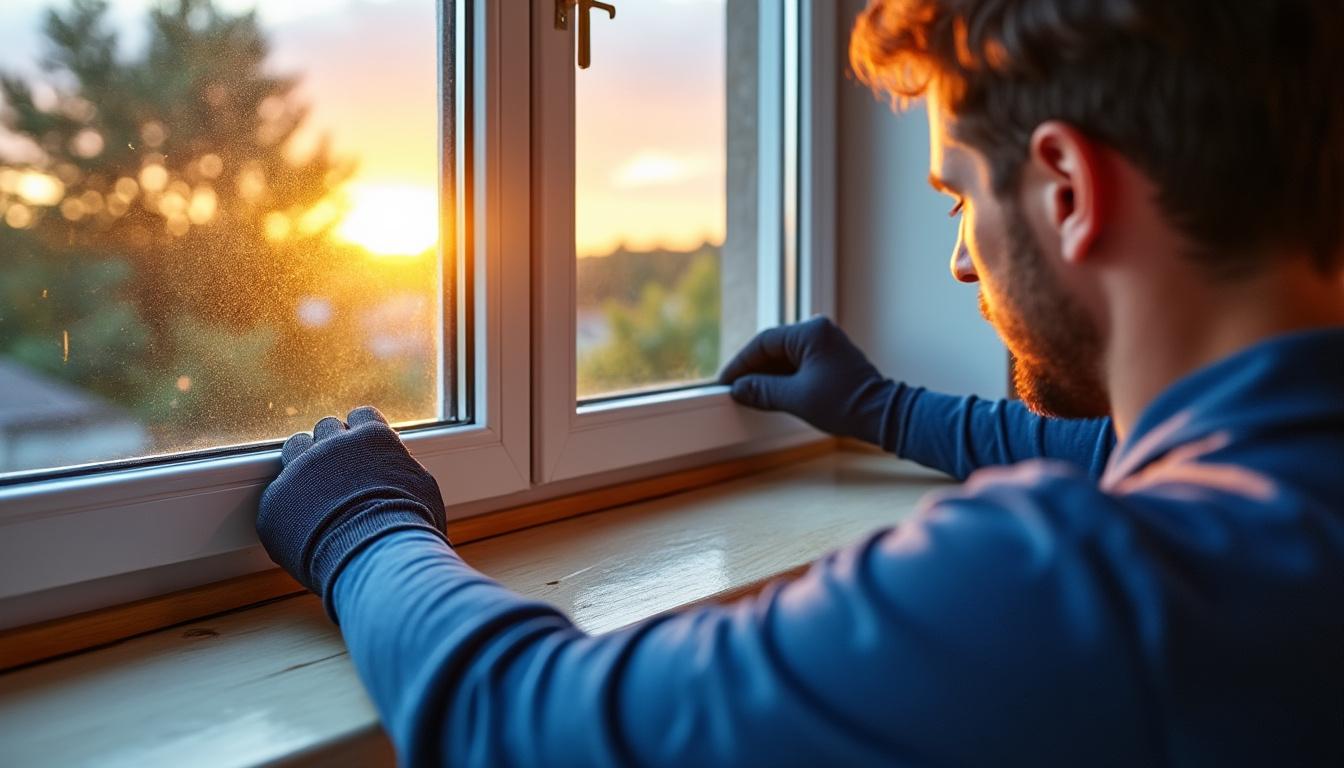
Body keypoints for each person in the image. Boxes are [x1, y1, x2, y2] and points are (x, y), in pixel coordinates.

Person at [256, 1, 1344, 765]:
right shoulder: (1282, 492)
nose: (963, 258)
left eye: (958, 192)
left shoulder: (1095, 596)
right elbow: (1112, 451)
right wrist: (880, 409)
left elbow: (536, 733)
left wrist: (362, 527)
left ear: (1063, 187)